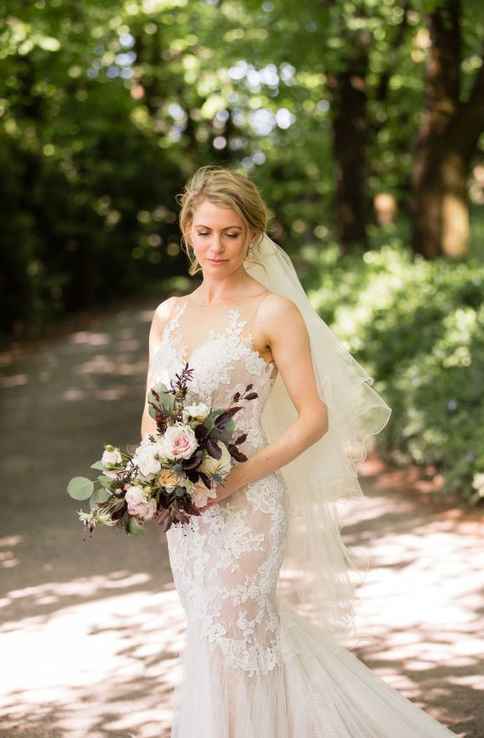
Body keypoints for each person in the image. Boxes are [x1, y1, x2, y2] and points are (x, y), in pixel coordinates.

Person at [140, 165, 457, 737]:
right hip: (186, 512)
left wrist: (235, 479)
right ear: (188, 229)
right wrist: (151, 479)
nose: (217, 245)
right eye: (206, 231)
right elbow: (152, 415)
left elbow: (314, 418)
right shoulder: (169, 314)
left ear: (252, 235)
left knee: (238, 630)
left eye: (231, 233)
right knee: (212, 635)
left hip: (250, 503)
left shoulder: (271, 312)